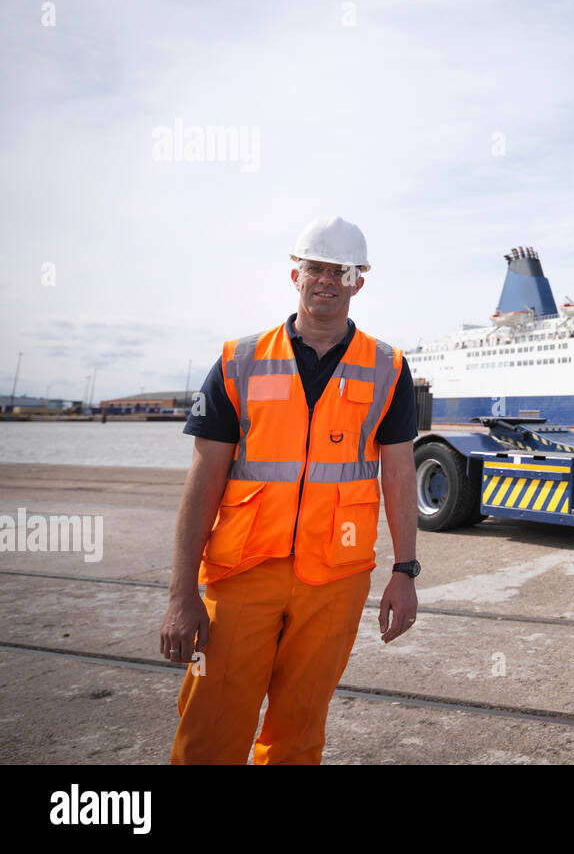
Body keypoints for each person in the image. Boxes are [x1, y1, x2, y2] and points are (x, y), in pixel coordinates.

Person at [159, 216, 420, 764]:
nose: (326, 280)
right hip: (240, 575)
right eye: (315, 268)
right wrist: (181, 593)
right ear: (295, 275)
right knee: (211, 723)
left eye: (340, 271)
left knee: (299, 730)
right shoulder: (240, 359)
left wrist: (405, 572)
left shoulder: (389, 367)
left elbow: (398, 475)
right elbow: (203, 480)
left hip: (336, 579)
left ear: (359, 283)